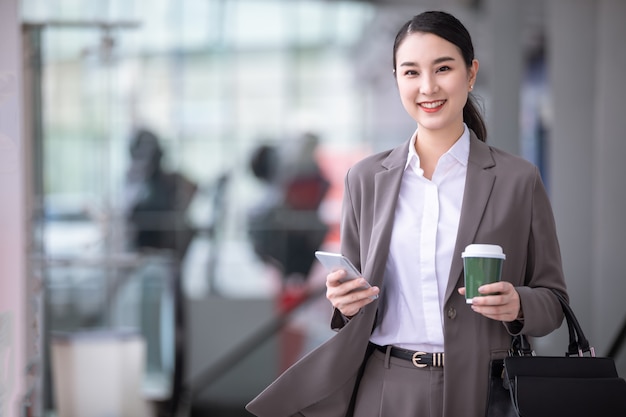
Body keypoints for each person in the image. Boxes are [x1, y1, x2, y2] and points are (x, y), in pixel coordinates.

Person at [246, 10, 567, 417]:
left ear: (470, 74)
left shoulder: (517, 179)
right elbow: (353, 290)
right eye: (411, 72)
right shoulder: (366, 179)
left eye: (443, 68)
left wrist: (518, 305)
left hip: (488, 391)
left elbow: (554, 301)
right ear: (397, 79)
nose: (427, 86)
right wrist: (343, 302)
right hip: (387, 390)